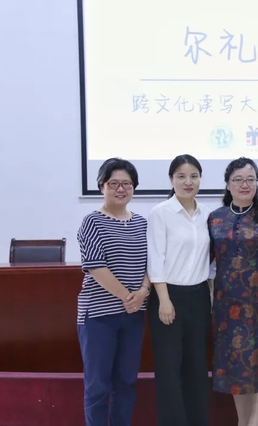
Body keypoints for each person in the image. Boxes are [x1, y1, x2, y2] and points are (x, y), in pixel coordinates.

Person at [208, 157, 258, 426]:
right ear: (228, 184)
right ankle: (243, 421)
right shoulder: (215, 218)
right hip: (226, 306)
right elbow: (205, 262)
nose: (245, 184)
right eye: (238, 179)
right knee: (236, 365)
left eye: (250, 179)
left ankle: (255, 422)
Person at [76, 158, 151, 426]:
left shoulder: (142, 223)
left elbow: (152, 264)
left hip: (133, 315)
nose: (121, 189)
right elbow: (96, 266)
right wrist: (128, 297)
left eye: (127, 184)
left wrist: (143, 292)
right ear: (102, 187)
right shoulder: (92, 222)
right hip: (99, 317)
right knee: (98, 385)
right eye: (114, 183)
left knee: (126, 383)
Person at [146, 154, 214, 426]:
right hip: (168, 297)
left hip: (198, 298)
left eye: (194, 176)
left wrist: (210, 297)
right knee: (169, 369)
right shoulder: (161, 212)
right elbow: (155, 258)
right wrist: (164, 300)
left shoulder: (207, 213)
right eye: (181, 176)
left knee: (197, 367)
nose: (188, 182)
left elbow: (210, 260)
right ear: (171, 180)